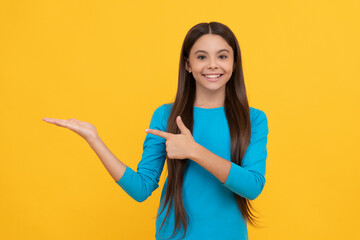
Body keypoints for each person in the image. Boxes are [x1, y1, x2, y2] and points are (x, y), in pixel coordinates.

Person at [43, 21, 269, 240]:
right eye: (201, 57)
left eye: (222, 56)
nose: (212, 64)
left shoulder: (254, 119)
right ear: (188, 64)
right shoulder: (165, 115)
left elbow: (252, 187)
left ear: (234, 63)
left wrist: (194, 151)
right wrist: (94, 139)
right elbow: (141, 189)